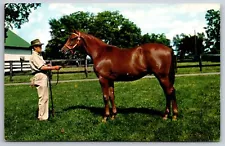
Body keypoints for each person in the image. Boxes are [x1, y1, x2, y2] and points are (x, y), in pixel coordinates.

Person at [29, 39, 62, 121]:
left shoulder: (39, 56)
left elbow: (43, 65)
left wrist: (47, 65)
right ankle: (41, 117)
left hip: (43, 75)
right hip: (40, 76)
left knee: (45, 97)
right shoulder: (34, 56)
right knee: (43, 97)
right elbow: (41, 67)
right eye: (38, 46)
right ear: (34, 47)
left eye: (40, 45)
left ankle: (44, 116)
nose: (40, 47)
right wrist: (54, 68)